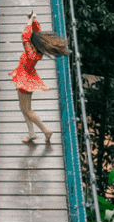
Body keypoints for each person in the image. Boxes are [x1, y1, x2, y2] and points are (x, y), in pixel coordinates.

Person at [8, 11, 69, 143]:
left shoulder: (31, 52)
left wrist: (32, 18)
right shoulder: (38, 50)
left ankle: (46, 131)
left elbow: (24, 35)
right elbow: (36, 32)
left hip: (24, 79)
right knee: (23, 107)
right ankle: (31, 133)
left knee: (27, 109)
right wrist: (32, 20)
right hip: (27, 77)